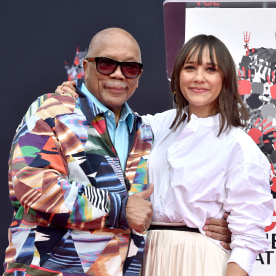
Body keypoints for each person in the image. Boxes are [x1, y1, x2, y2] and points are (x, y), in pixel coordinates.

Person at [4, 27, 154, 276]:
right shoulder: (51, 111)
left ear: (138, 75)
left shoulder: (144, 132)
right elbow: (32, 185)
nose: (118, 74)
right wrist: (120, 208)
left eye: (129, 68)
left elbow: (150, 206)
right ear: (86, 66)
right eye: (106, 64)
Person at [140, 35, 274, 276]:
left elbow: (247, 239)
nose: (198, 77)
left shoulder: (239, 147)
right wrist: (71, 95)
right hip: (149, 256)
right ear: (178, 75)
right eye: (190, 67)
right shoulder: (159, 125)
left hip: (201, 261)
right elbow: (107, 122)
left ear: (225, 79)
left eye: (210, 69)